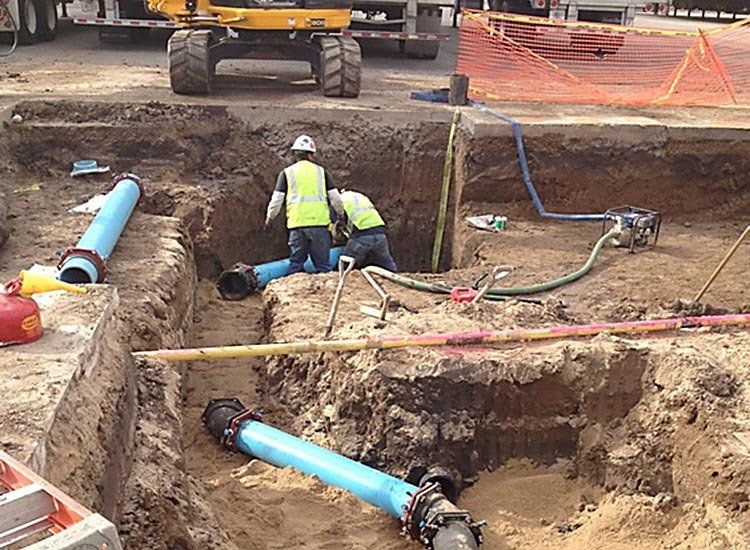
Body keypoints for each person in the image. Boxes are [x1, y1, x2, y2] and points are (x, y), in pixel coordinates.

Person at [265, 135, 345, 274]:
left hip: (297, 226)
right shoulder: (321, 172)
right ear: (311, 155)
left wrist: (270, 218)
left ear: (295, 154)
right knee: (323, 267)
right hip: (319, 226)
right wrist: (340, 215)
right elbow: (335, 198)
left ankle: (294, 294)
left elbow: (276, 200)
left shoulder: (287, 173)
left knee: (295, 264)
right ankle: (327, 294)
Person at [338, 189, 398, 272]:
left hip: (361, 234)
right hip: (380, 233)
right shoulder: (360, 197)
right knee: (387, 264)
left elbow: (337, 222)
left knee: (345, 265)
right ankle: (397, 280)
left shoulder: (339, 200)